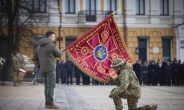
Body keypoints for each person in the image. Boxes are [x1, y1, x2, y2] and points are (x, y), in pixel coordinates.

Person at [33, 31, 64, 109]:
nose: (54, 38)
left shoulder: (39, 47)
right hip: (50, 69)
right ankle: (50, 103)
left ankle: (47, 102)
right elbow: (59, 54)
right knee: (51, 86)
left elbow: (35, 58)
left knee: (47, 86)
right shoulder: (51, 45)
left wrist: (39, 66)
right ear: (49, 37)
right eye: (53, 37)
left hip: (43, 69)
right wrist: (62, 52)